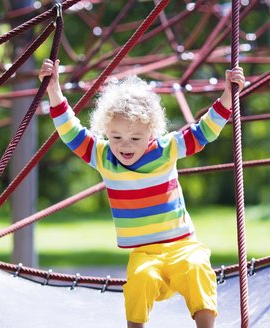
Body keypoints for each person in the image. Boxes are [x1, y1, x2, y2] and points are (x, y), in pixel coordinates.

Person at [39, 58, 245, 328]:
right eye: (116, 137)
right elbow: (70, 131)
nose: (125, 145)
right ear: (106, 133)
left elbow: (204, 131)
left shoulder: (165, 149)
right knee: (140, 280)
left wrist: (228, 95)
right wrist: (54, 90)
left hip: (182, 246)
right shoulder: (103, 156)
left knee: (198, 269)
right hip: (145, 253)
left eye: (135, 138)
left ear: (151, 132)